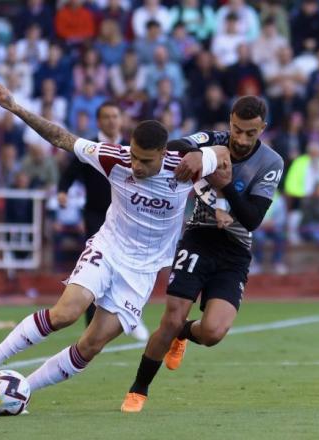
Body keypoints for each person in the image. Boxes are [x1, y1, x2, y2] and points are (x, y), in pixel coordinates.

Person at [0, 82, 228, 400]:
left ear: (164, 155)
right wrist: (16, 108)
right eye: (134, 156)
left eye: (145, 161)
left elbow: (223, 156)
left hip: (142, 271)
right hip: (108, 248)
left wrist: (205, 159)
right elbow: (61, 138)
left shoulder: (185, 167)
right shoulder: (115, 157)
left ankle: (23, 389)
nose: (136, 165)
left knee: (91, 344)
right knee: (65, 314)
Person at [121, 96, 284, 412]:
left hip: (235, 250)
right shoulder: (215, 140)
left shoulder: (272, 162)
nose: (241, 139)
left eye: (250, 133)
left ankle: (185, 332)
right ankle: (138, 390)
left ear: (262, 129)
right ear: (230, 120)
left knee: (212, 333)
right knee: (170, 317)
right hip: (199, 237)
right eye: (237, 129)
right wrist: (199, 156)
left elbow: (252, 219)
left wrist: (227, 186)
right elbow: (179, 144)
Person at [57, 101, 150, 341]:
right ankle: (91, 327)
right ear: (98, 121)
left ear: (121, 120)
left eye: (115, 116)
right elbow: (69, 173)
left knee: (128, 266)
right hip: (96, 215)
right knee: (93, 269)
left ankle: (130, 313)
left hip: (128, 217)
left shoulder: (133, 148)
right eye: (106, 117)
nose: (111, 121)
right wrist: (63, 191)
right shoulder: (91, 147)